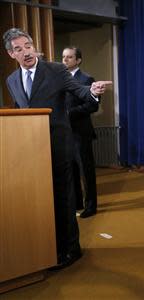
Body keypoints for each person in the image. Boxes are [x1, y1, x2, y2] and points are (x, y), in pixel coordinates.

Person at [3, 28, 110, 269]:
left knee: (64, 199)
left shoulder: (56, 70)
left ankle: (72, 249)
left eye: (28, 45)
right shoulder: (11, 80)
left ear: (33, 45)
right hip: (31, 151)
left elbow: (81, 92)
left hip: (59, 146)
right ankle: (48, 247)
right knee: (41, 202)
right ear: (12, 54)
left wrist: (92, 92)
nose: (26, 52)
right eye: (18, 49)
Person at [62, 46, 98, 218]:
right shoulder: (60, 78)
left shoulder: (87, 78)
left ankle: (91, 206)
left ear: (78, 60)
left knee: (86, 171)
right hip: (64, 134)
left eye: (69, 57)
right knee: (72, 171)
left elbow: (93, 105)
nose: (65, 60)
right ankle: (76, 202)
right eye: (63, 57)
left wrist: (70, 113)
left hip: (81, 132)